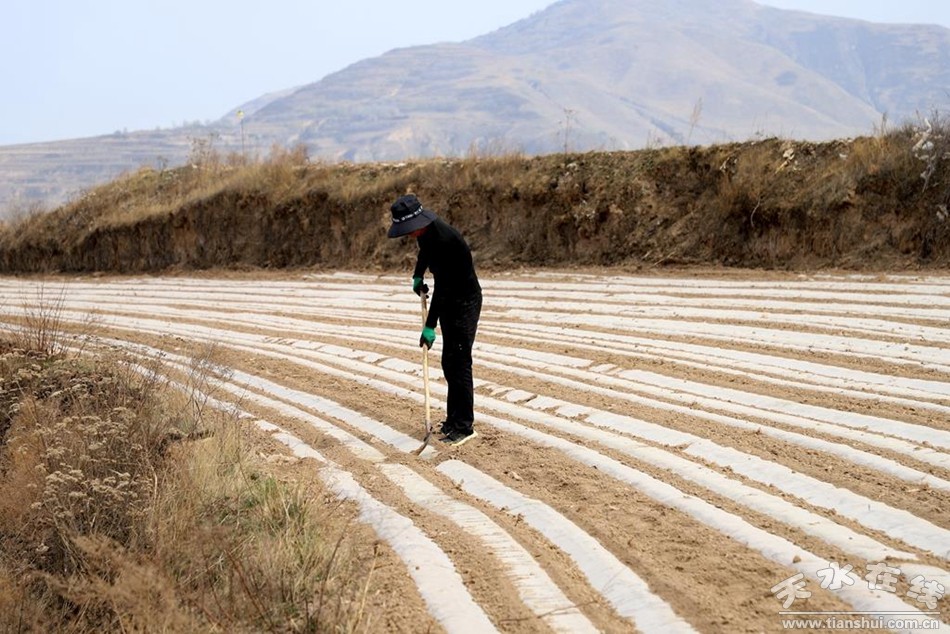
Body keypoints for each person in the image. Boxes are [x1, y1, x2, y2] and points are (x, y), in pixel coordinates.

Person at [387, 194, 482, 446]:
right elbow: (425, 254)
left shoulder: (445, 240)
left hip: (464, 301)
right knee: (449, 362)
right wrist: (418, 275)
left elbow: (443, 290)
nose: (409, 234)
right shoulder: (426, 233)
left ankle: (464, 427)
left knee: (459, 363)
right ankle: (453, 420)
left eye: (409, 229)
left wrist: (429, 326)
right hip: (450, 299)